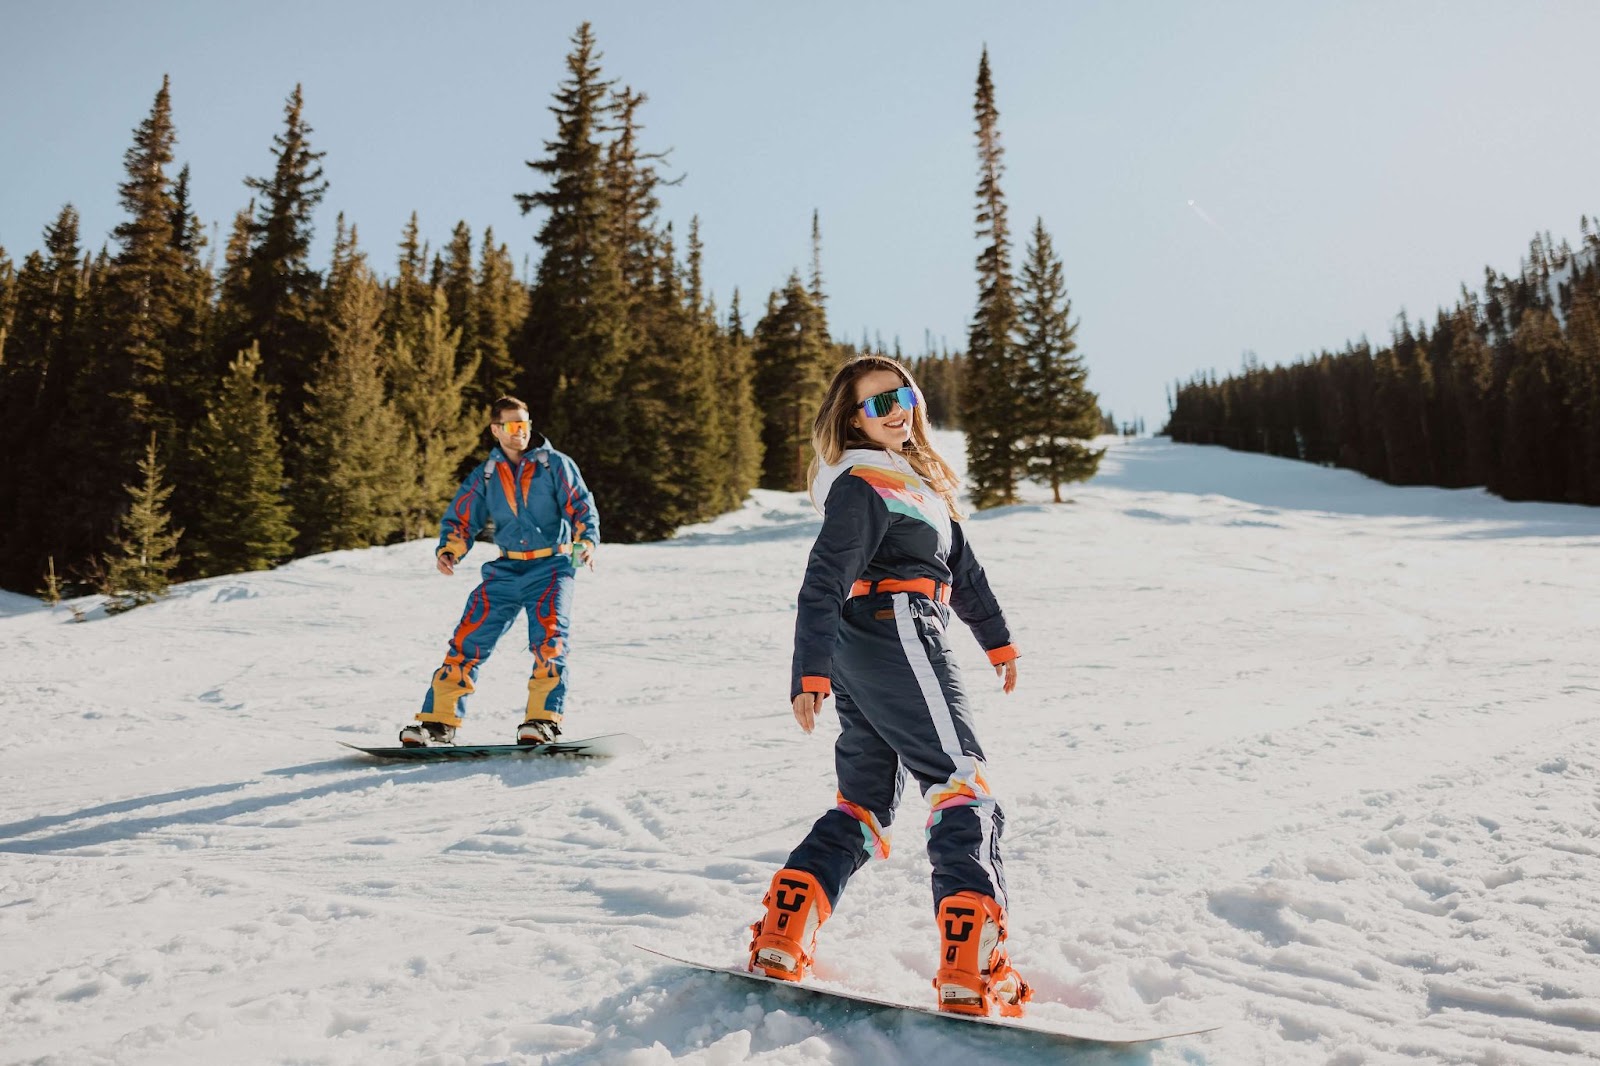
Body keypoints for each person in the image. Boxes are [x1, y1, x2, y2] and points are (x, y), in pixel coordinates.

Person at [746, 356, 1031, 1018]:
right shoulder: (862, 482)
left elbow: (968, 573)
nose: (895, 410)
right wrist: (807, 669)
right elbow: (824, 575)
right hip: (895, 626)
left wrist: (999, 641)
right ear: (852, 421)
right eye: (876, 405)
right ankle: (973, 963)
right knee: (962, 783)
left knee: (865, 802)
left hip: (868, 642)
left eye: (900, 395)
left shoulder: (920, 483)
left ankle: (785, 934)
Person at [400, 396, 599, 747]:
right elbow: (462, 517)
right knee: (466, 642)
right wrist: (451, 549)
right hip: (505, 570)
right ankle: (438, 724)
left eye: (524, 425)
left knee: (549, 643)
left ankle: (542, 721)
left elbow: (581, 505)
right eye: (511, 426)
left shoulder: (555, 465)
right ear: (496, 430)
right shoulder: (486, 474)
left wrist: (586, 541)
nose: (520, 432)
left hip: (552, 567)